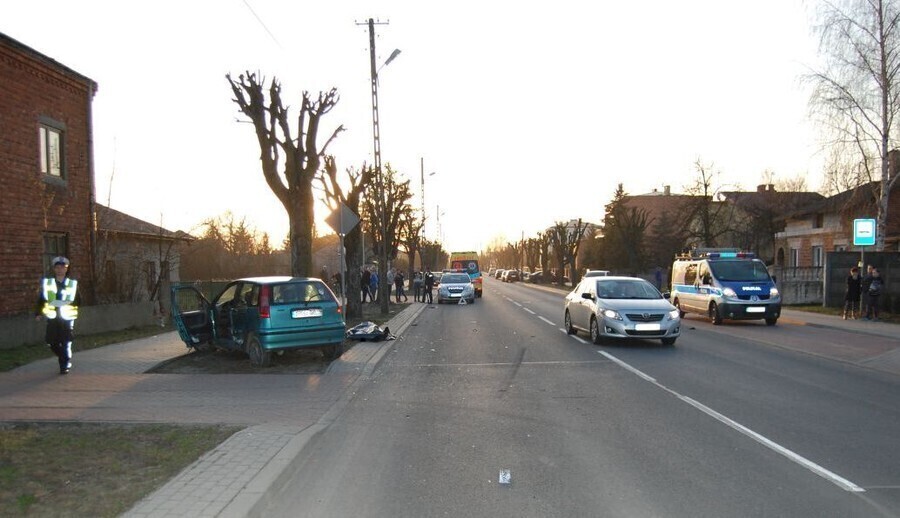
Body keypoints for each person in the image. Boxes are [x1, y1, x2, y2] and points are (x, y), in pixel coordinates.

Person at [34, 256, 80, 374]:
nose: (60, 269)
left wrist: (68, 302)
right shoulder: (48, 283)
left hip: (66, 318)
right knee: (51, 341)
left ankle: (64, 366)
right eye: (57, 267)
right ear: (54, 269)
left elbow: (79, 300)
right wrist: (38, 313)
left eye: (62, 267)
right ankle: (64, 357)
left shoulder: (72, 284)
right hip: (53, 317)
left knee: (65, 342)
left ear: (66, 269)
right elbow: (41, 299)